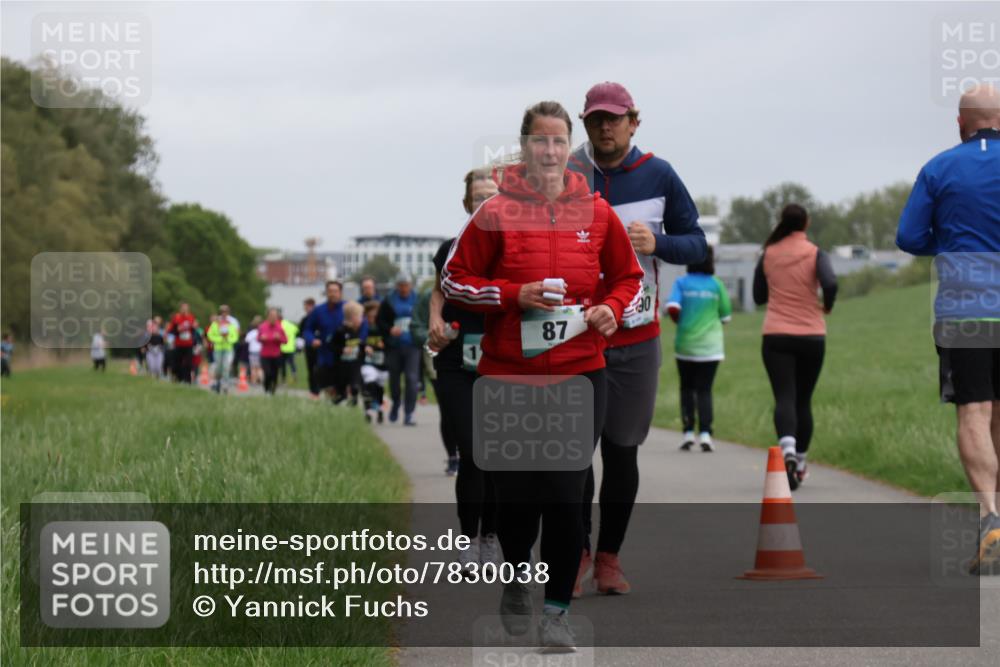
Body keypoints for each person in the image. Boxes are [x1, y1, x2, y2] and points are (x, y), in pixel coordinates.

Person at [442, 100, 644, 650]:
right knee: (515, 497)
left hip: (580, 372)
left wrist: (611, 309)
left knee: (565, 492)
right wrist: (514, 295)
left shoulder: (598, 213)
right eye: (540, 141)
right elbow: (455, 281)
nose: (550, 151)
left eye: (559, 141)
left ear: (569, 148)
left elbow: (629, 279)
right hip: (509, 373)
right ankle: (515, 579)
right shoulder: (495, 213)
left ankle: (556, 613)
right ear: (525, 146)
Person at [568, 81, 707, 597]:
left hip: (636, 334)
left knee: (622, 451)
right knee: (574, 453)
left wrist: (658, 242)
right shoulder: (567, 174)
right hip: (576, 334)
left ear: (634, 122)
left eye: (614, 118)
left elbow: (696, 244)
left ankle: (608, 557)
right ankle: (576, 552)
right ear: (585, 124)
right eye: (595, 119)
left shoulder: (659, 174)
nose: (605, 127)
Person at [896, 83, 1000, 575]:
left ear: (961, 124)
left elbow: (909, 236)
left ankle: (991, 518)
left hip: (965, 311)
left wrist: (948, 240)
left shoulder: (938, 168)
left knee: (974, 413)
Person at [427, 170, 502, 571]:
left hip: (503, 358)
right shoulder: (450, 248)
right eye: (478, 197)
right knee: (473, 451)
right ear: (466, 203)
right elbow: (439, 290)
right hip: (458, 360)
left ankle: (491, 537)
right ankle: (469, 540)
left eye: (492, 195)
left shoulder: (514, 247)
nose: (485, 203)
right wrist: (435, 321)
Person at [753, 204, 837, 491]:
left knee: (784, 396)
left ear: (782, 222)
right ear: (806, 223)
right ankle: (800, 463)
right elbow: (830, 283)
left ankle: (787, 449)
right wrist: (827, 305)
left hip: (776, 335)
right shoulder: (815, 253)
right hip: (812, 335)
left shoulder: (768, 253)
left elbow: (758, 296)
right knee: (803, 400)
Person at [665, 247, 732, 451]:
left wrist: (681, 322)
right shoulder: (716, 284)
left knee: (686, 388)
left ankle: (687, 432)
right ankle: (705, 435)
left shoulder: (682, 282)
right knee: (705, 390)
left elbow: (672, 307)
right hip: (711, 347)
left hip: (685, 345)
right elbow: (726, 316)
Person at [303, 280, 363, 401]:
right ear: (326, 293)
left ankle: (347, 397)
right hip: (326, 354)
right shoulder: (318, 311)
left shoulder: (348, 308)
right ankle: (332, 398)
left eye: (335, 291)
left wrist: (358, 335)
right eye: (330, 291)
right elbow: (307, 329)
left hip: (345, 354)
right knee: (327, 383)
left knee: (346, 383)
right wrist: (312, 340)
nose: (333, 294)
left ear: (340, 293)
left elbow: (362, 323)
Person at [377, 274, 420, 425]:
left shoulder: (418, 299)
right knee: (394, 380)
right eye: (401, 285)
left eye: (406, 285)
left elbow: (425, 318)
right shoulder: (389, 300)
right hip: (394, 346)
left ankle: (409, 413)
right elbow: (380, 321)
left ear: (410, 285)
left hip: (413, 346)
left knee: (412, 379)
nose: (403, 288)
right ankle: (396, 403)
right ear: (397, 286)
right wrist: (390, 329)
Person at [331, 301, 366, 405]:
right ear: (352, 317)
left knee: (355, 384)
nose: (362, 319)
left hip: (354, 364)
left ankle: (353, 401)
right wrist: (342, 349)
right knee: (341, 387)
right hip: (342, 365)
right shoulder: (341, 331)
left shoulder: (357, 331)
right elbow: (332, 345)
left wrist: (365, 348)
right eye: (360, 317)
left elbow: (359, 344)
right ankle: (339, 399)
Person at [361, 301, 388, 420]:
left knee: (379, 387)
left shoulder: (383, 327)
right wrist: (365, 346)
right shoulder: (363, 328)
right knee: (369, 381)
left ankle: (379, 407)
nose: (372, 319)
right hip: (367, 362)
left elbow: (390, 341)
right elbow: (358, 340)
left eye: (375, 316)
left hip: (382, 364)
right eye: (370, 316)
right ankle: (368, 410)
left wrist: (385, 344)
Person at [207, 305, 240, 393]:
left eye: (226, 312)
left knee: (226, 366)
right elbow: (210, 335)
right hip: (218, 348)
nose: (224, 314)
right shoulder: (216, 323)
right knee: (218, 367)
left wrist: (228, 339)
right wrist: (220, 339)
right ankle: (217, 382)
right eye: (222, 312)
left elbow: (235, 336)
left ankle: (225, 385)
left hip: (228, 348)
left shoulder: (231, 323)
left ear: (228, 313)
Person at [257, 308, 287, 394]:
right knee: (267, 373)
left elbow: (285, 340)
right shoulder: (262, 326)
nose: (273, 317)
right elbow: (258, 338)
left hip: (276, 355)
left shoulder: (280, 327)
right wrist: (261, 338)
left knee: (274, 373)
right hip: (265, 355)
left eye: (275, 316)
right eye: (271, 315)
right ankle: (266, 389)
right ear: (268, 316)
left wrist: (279, 338)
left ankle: (273, 390)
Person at [165, 302, 198, 383]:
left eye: (186, 308)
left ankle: (187, 380)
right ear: (180, 309)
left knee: (188, 362)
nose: (184, 309)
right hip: (179, 344)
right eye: (183, 308)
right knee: (177, 362)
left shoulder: (191, 317)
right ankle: (178, 378)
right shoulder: (176, 317)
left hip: (188, 344)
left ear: (188, 309)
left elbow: (194, 329)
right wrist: (177, 330)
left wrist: (194, 328)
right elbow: (171, 330)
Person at [300, 298, 320, 396]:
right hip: (309, 347)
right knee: (311, 369)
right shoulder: (304, 320)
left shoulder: (319, 318)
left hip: (319, 347)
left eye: (307, 307)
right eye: (305, 307)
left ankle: (320, 388)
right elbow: (301, 333)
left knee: (319, 369)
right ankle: (313, 391)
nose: (306, 309)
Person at [279, 312, 299, 384]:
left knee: (282, 365)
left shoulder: (279, 325)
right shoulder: (291, 325)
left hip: (282, 348)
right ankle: (294, 375)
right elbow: (297, 331)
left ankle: (283, 379)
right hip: (291, 348)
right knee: (292, 363)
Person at [245, 316, 263, 385]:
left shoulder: (251, 333)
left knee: (253, 367)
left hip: (252, 351)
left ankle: (254, 381)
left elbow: (247, 341)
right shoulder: (262, 332)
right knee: (260, 367)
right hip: (261, 351)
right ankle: (261, 380)